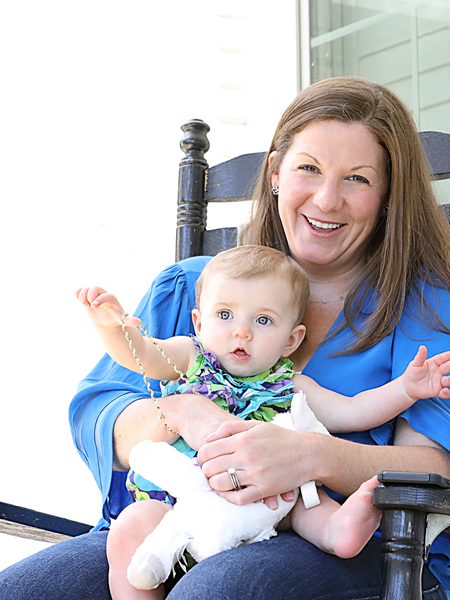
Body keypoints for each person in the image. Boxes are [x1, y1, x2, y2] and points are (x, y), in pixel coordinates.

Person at [2, 75, 450, 600]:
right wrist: (185, 412)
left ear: (388, 195)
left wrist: (309, 456)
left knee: (214, 590)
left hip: (344, 544)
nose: (327, 199)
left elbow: (430, 468)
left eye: (357, 178)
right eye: (309, 168)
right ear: (276, 172)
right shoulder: (194, 286)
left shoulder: (424, 305)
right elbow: (97, 412)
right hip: (173, 520)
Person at [76, 244, 450, 600]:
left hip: (270, 506)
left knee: (309, 503)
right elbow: (140, 352)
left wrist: (405, 389)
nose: (242, 331)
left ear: (292, 339)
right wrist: (113, 327)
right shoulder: (192, 357)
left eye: (263, 320)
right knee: (130, 528)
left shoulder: (292, 385)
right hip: (180, 502)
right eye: (225, 315)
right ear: (199, 322)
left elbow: (353, 411)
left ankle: (339, 532)